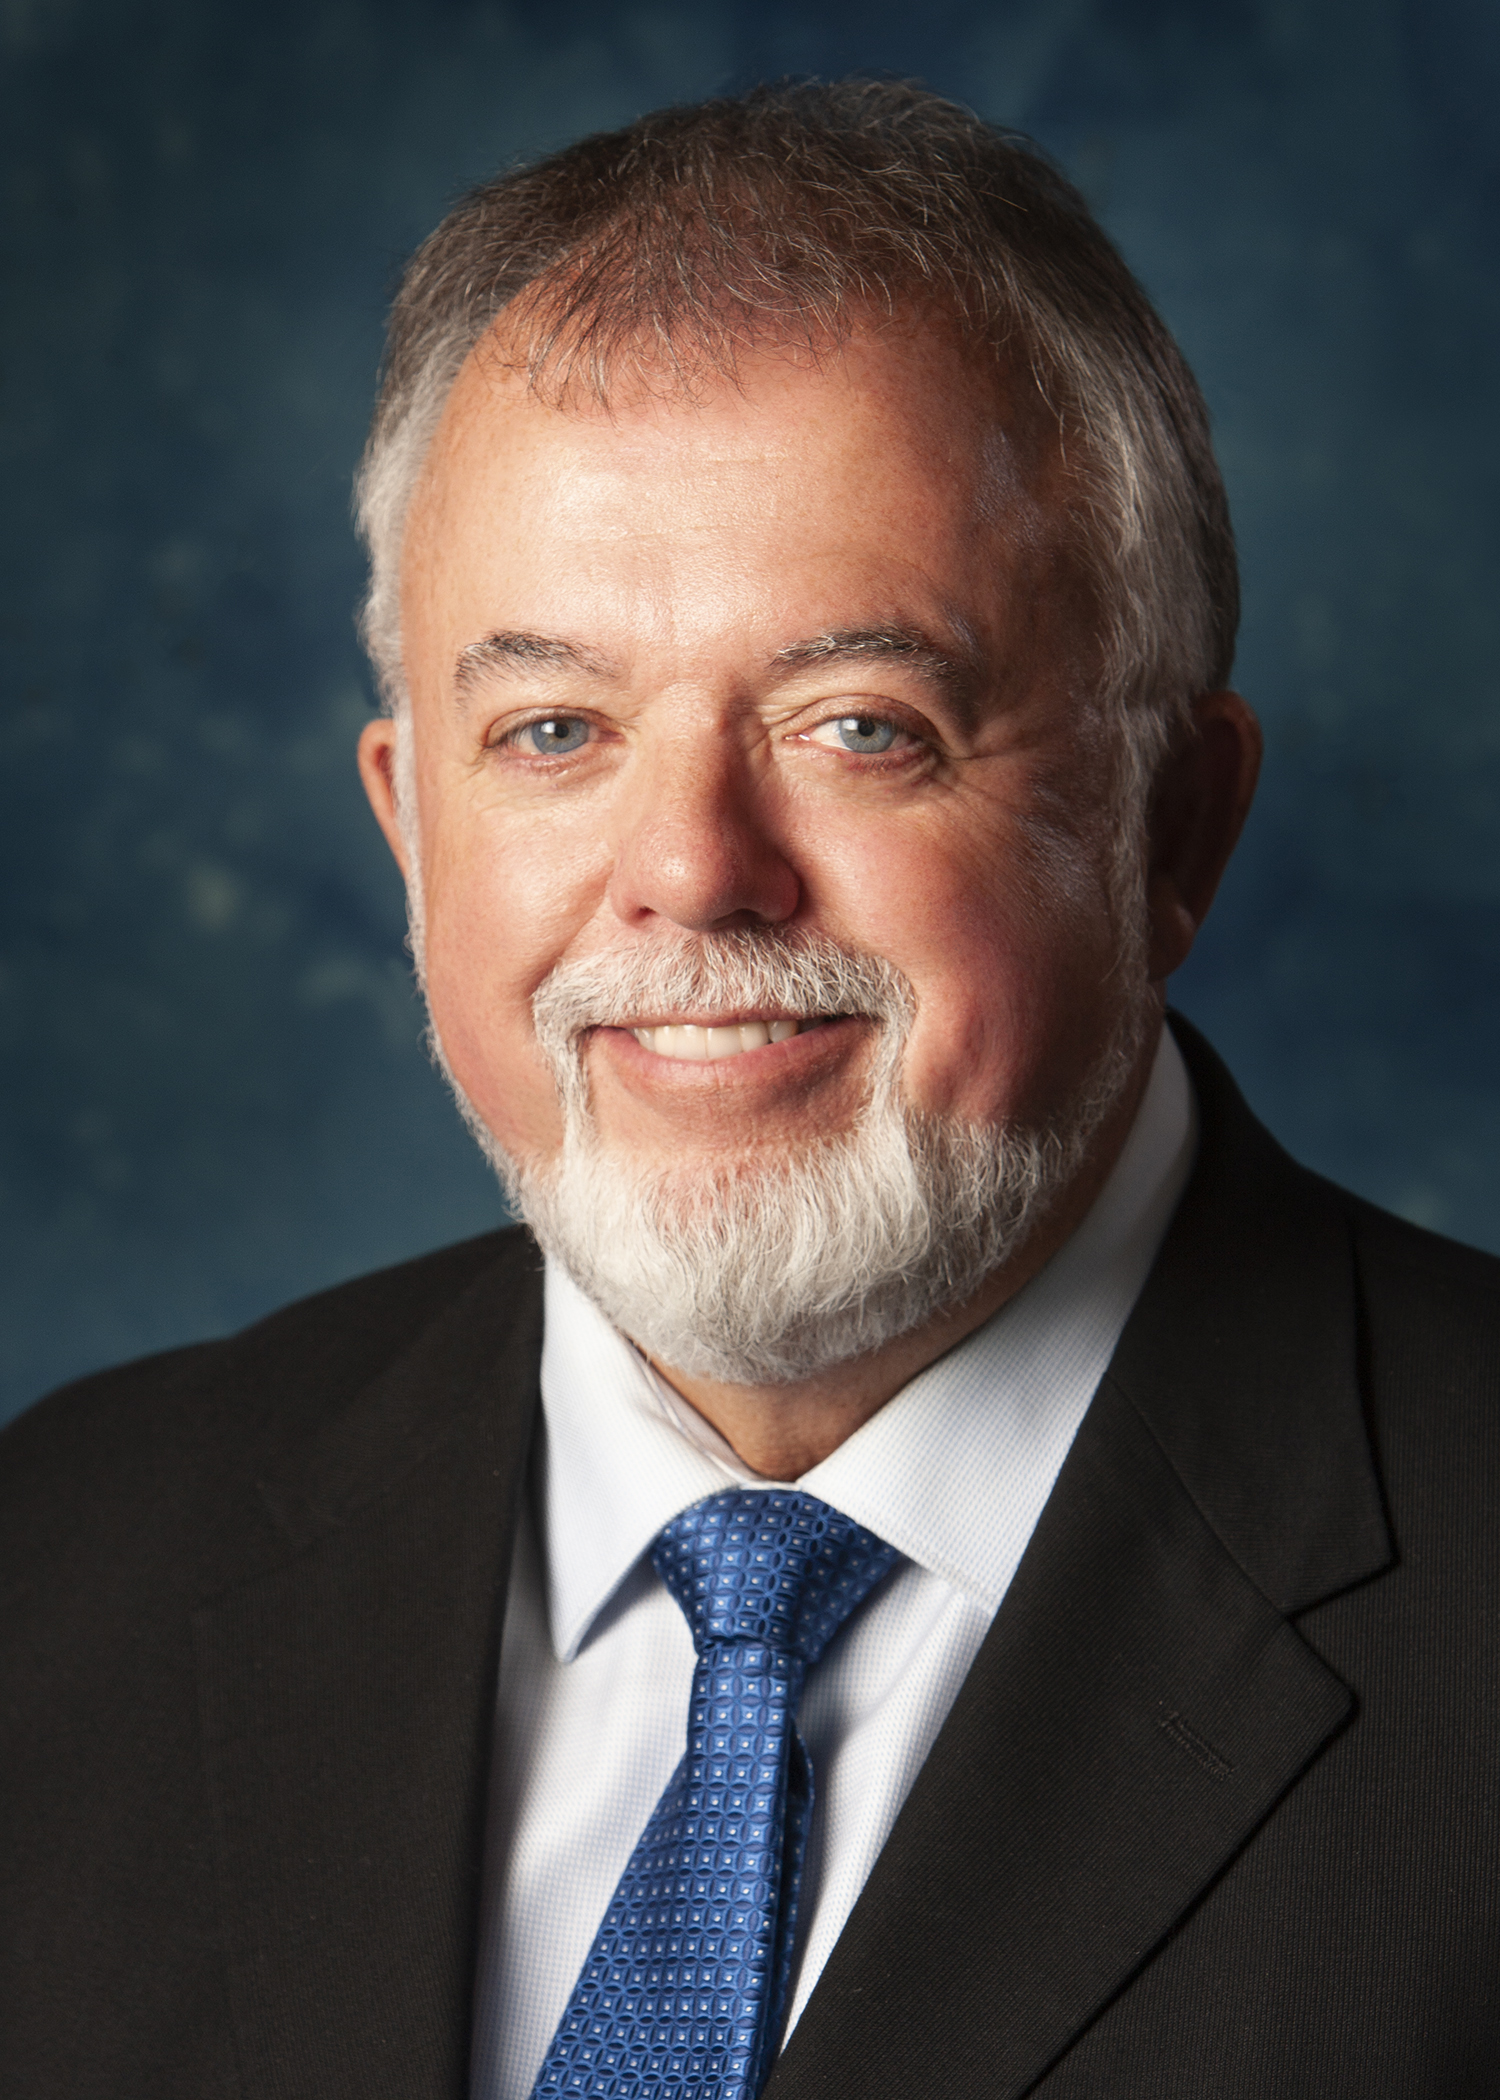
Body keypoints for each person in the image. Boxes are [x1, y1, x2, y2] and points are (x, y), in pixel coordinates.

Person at [1, 78, 1496, 2100]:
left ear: (1176, 826)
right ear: (408, 828)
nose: (694, 870)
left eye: (861, 724)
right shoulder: (60, 1571)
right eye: (554, 730)